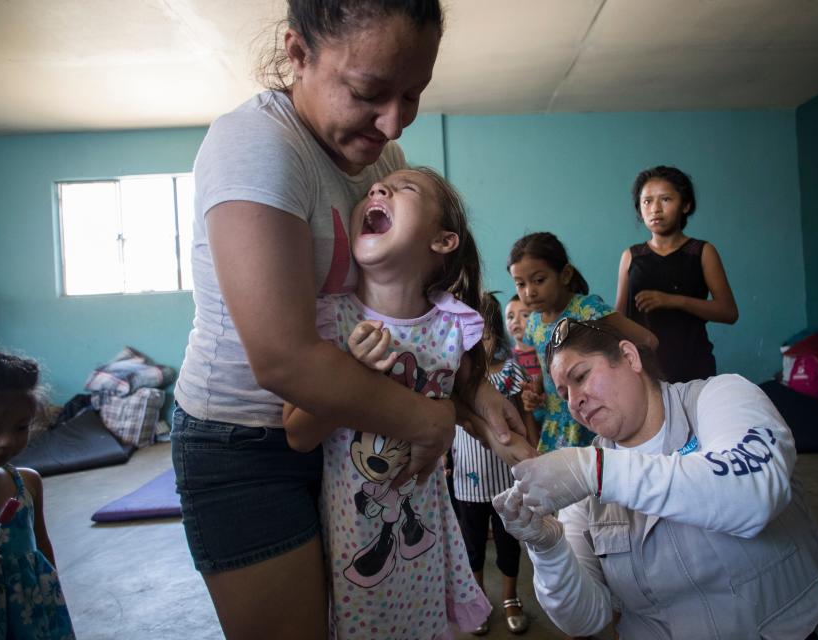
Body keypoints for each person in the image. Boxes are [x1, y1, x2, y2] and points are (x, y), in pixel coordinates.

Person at [170, 3, 524, 638]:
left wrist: (473, 393)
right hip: (246, 447)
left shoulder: (382, 163)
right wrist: (431, 419)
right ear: (297, 54)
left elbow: (408, 303)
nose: (391, 122)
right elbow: (284, 359)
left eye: (413, 95)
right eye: (368, 92)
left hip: (353, 432)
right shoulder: (256, 145)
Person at [282, 168, 535, 638]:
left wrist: (531, 461)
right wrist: (351, 369)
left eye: (405, 189)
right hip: (352, 541)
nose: (378, 189)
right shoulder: (331, 318)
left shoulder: (453, 325)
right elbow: (297, 432)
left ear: (443, 241)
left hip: (427, 538)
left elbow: (473, 411)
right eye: (377, 189)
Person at [494, 318, 818, 639]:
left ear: (630, 357)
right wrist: (549, 548)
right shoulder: (584, 484)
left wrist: (596, 470)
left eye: (581, 376)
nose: (575, 402)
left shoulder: (721, 397)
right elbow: (584, 619)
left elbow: (753, 495)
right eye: (564, 393)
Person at [508, 232, 657, 453]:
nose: (529, 291)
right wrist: (535, 391)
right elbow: (545, 371)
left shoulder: (586, 310)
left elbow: (648, 341)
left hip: (594, 415)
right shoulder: (534, 324)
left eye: (539, 280)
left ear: (565, 274)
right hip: (557, 424)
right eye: (520, 284)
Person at [451, 292, 537, 636]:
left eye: (483, 336)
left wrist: (532, 453)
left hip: (505, 480)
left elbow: (524, 418)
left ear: (495, 334)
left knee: (507, 543)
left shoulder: (510, 372)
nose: (477, 346)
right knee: (472, 546)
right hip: (467, 482)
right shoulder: (453, 375)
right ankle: (479, 600)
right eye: (469, 339)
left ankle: (510, 598)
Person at [615, 166, 738, 382]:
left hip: (693, 366)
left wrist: (674, 300)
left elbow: (728, 312)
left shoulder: (702, 252)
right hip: (644, 370)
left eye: (665, 199)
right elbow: (619, 318)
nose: (655, 209)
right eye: (647, 201)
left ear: (686, 205)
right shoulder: (631, 256)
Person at [0, 352, 75, 640]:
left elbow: (41, 546)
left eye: (20, 427)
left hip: (37, 615)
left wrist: (55, 609)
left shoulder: (27, 483)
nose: (5, 441)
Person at [505, 294, 541, 382]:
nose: (515, 321)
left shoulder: (546, 352)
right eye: (510, 317)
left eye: (525, 315)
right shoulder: (507, 359)